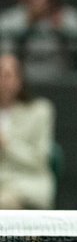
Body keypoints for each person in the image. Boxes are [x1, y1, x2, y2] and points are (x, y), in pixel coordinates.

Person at [0, 50, 55, 208]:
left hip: (26, 183)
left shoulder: (40, 111)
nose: (3, 80)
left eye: (8, 75)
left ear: (20, 79)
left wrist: (7, 144)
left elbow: (40, 159)